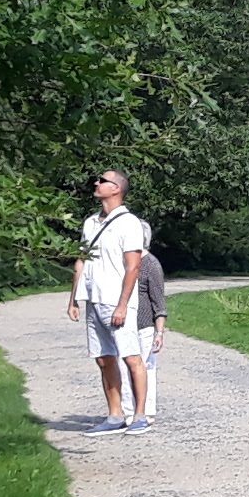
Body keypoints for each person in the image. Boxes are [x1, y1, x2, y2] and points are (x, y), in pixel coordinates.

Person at [66, 173, 153, 429]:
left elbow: (133, 266)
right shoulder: (91, 222)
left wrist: (123, 304)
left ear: (116, 189)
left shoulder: (129, 223)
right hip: (94, 299)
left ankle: (139, 415)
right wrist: (73, 299)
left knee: (131, 356)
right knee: (103, 358)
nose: (96, 183)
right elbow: (81, 260)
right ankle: (114, 415)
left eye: (102, 180)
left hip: (116, 301)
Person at [132, 248, 169, 422]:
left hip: (145, 326)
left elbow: (159, 303)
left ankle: (146, 410)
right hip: (124, 325)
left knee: (146, 367)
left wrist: (159, 332)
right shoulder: (123, 260)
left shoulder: (151, 265)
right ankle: (129, 410)